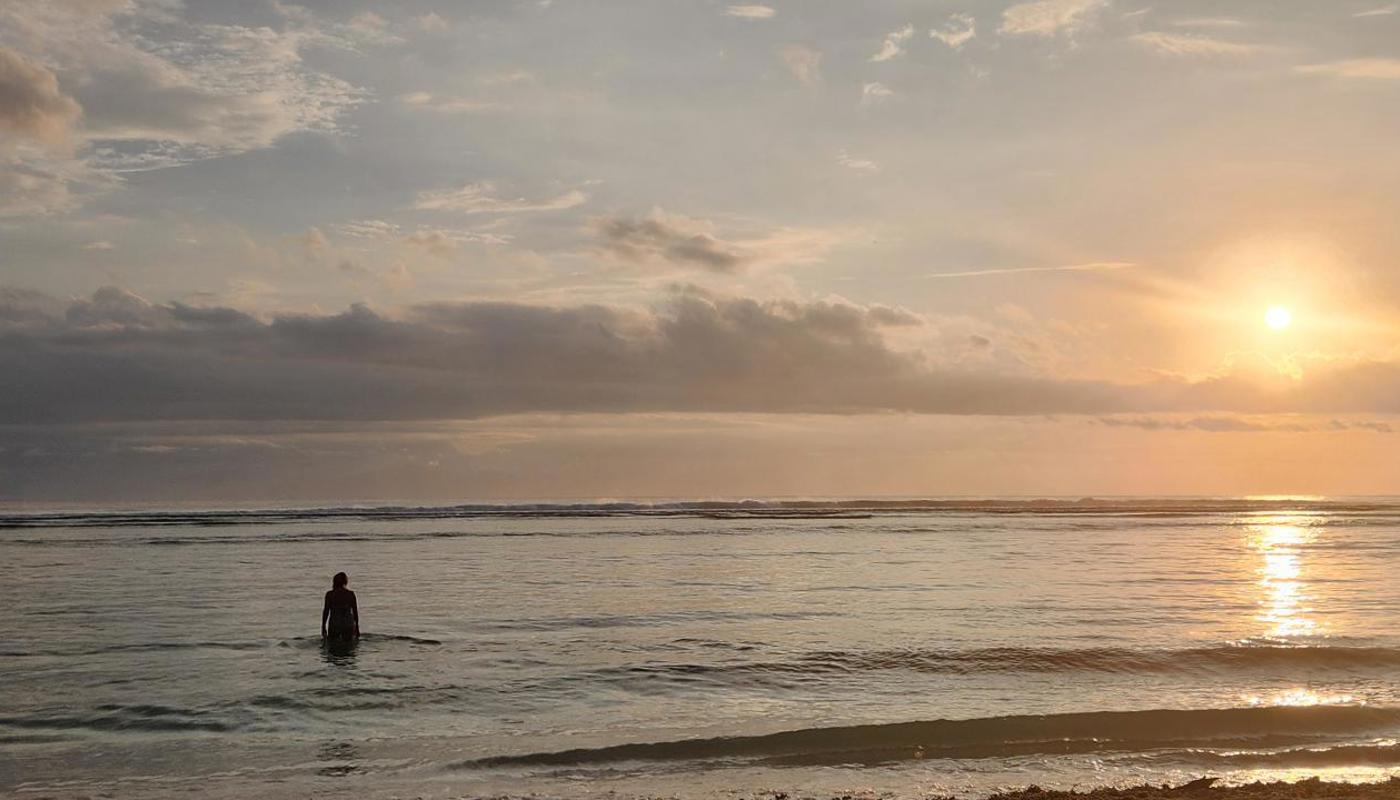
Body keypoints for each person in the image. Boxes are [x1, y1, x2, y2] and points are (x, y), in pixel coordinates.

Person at [321, 572, 360, 642]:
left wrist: (323, 626)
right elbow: (355, 612)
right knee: (349, 646)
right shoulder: (350, 594)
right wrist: (357, 627)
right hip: (348, 623)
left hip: (335, 622)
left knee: (333, 646)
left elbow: (326, 611)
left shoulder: (330, 594)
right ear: (345, 582)